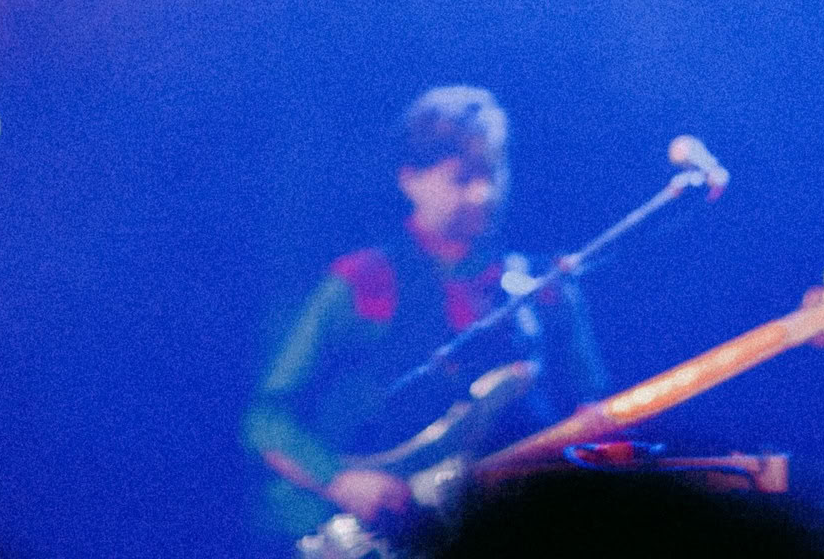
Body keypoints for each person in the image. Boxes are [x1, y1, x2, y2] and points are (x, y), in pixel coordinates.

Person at [245, 87, 609, 554]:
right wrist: (340, 480)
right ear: (409, 179)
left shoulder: (545, 288)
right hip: (356, 533)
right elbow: (264, 417)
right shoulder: (362, 282)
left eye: (493, 172)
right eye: (462, 177)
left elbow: (591, 412)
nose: (484, 192)